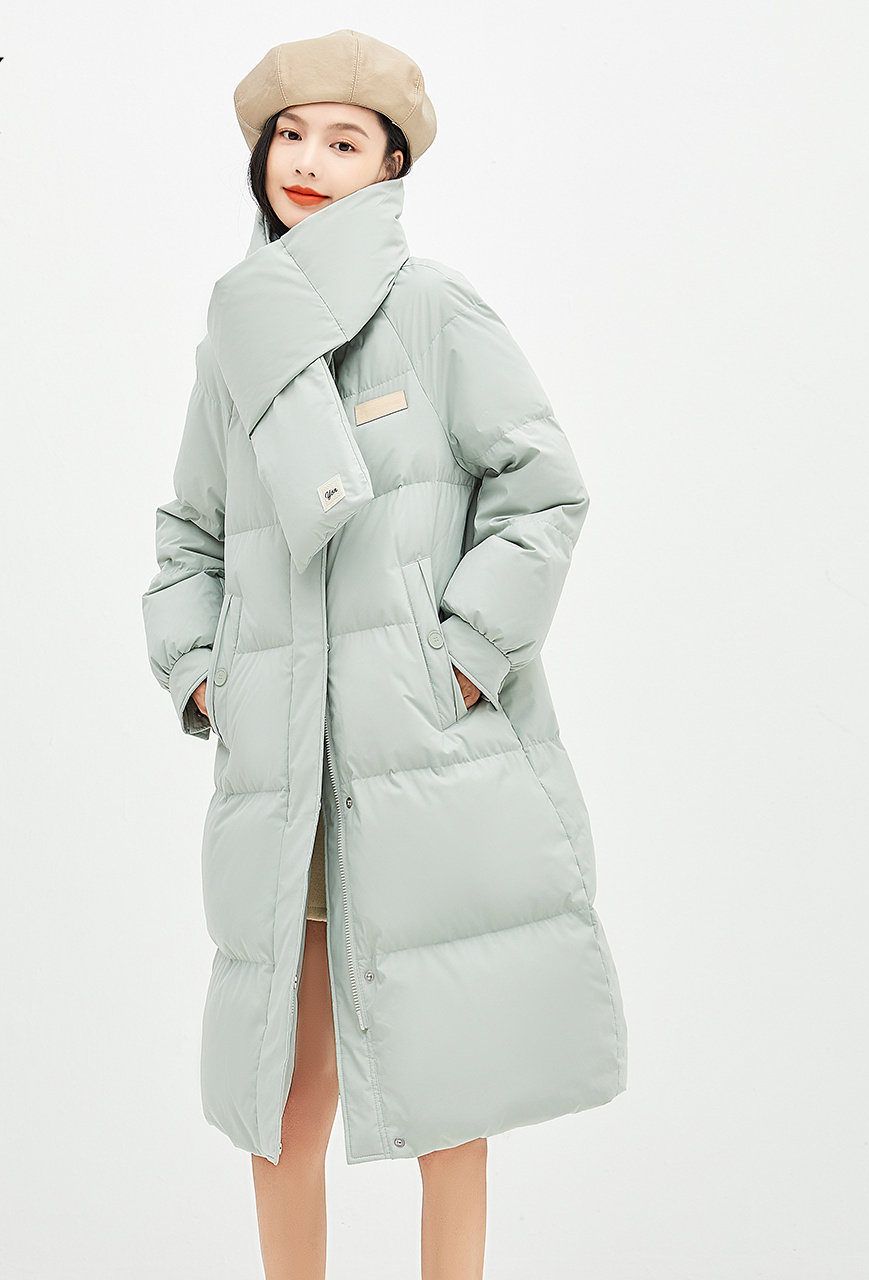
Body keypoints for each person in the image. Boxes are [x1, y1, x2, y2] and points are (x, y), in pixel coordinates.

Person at [142, 28, 627, 1279]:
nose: (306, 161)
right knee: (283, 1094)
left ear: (390, 165)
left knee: (444, 1090)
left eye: (342, 141)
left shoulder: (432, 310)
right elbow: (187, 533)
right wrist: (205, 676)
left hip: (424, 761)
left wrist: (461, 653)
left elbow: (541, 489)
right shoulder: (231, 343)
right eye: (288, 135)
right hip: (287, 779)